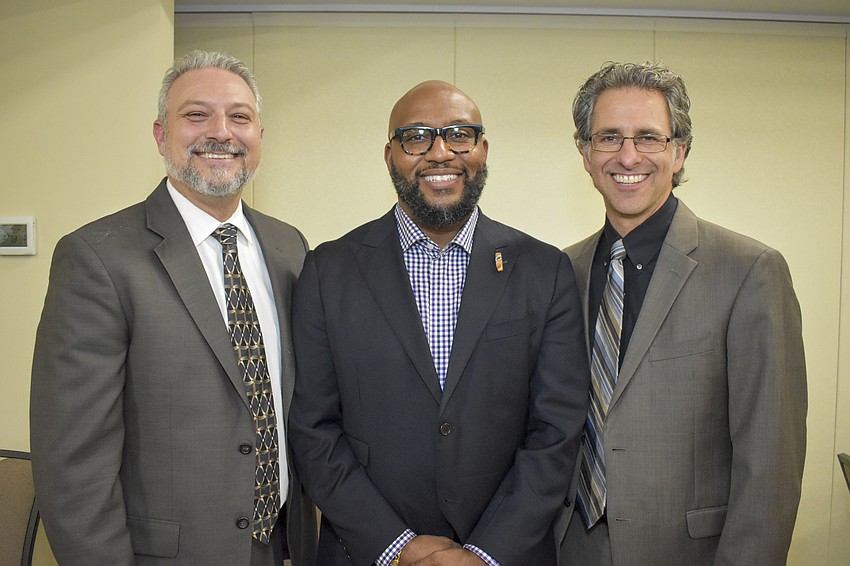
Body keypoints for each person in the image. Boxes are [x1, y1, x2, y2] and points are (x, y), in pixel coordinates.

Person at [30, 50, 317, 565]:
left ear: (259, 136)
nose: (221, 132)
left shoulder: (288, 247)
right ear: (162, 135)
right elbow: (72, 463)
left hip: (281, 548)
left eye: (240, 116)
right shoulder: (97, 257)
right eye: (196, 114)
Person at [287, 80, 590, 566]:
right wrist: (397, 548)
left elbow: (556, 431)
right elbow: (313, 429)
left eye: (458, 134)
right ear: (390, 155)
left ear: (482, 149)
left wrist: (485, 555)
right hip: (367, 551)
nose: (440, 152)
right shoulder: (329, 270)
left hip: (507, 554)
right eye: (417, 137)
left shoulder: (544, 270)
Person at [554, 61, 807, 565]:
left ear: (679, 150)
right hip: (568, 550)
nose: (628, 155)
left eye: (648, 136)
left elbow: (770, 465)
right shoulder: (563, 270)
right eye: (608, 137)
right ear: (585, 153)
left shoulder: (750, 271)